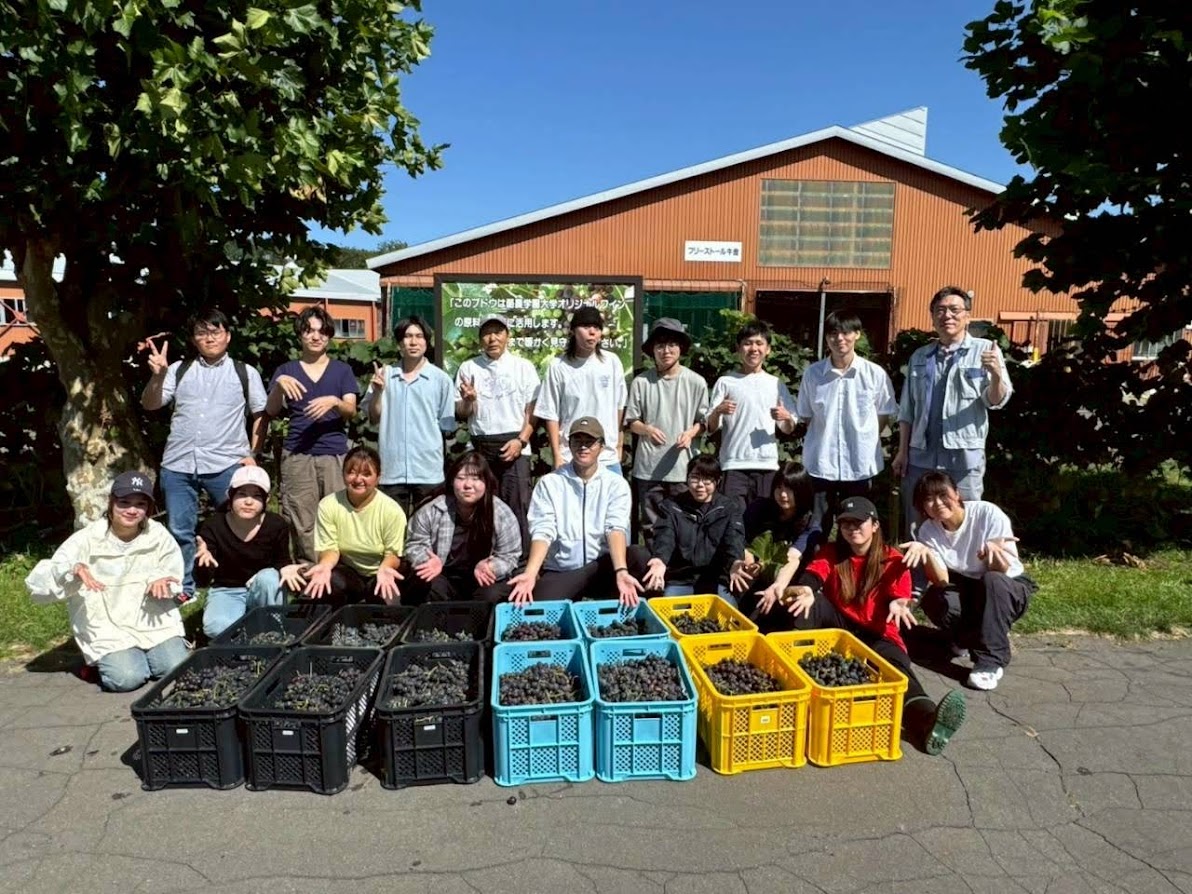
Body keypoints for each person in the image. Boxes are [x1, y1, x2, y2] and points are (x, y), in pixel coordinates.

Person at [763, 497, 967, 756]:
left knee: (897, 673)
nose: (852, 528)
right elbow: (814, 575)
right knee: (807, 604)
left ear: (875, 525)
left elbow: (900, 597)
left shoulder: (892, 558)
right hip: (840, 628)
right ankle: (788, 679)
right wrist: (805, 589)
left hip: (878, 633)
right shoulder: (832, 552)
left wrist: (898, 603)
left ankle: (928, 721)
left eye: (858, 522)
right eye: (845, 523)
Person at [141, 308, 268, 601]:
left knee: (239, 525)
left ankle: (240, 582)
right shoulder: (178, 369)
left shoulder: (244, 372)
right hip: (179, 463)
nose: (209, 338)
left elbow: (261, 414)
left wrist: (254, 453)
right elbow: (151, 404)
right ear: (193, 339)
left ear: (228, 336)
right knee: (179, 529)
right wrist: (158, 377)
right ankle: (184, 588)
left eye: (215, 331)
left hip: (227, 463)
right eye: (202, 332)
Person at [25, 471, 189, 693]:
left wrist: (162, 579)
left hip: (150, 619)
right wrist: (72, 569)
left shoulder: (158, 535)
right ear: (111, 503)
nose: (132, 510)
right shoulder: (86, 538)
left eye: (140, 504)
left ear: (148, 508)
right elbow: (40, 583)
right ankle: (101, 664)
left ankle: (135, 657)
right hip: (107, 625)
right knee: (127, 678)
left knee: (175, 667)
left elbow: (173, 572)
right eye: (124, 503)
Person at [893, 286, 1012, 534]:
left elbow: (996, 400)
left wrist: (996, 375)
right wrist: (902, 452)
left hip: (963, 455)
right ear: (932, 317)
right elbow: (907, 409)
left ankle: (964, 560)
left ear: (967, 316)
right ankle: (919, 560)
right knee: (917, 520)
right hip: (921, 454)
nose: (947, 315)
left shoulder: (985, 351)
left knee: (965, 518)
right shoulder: (920, 356)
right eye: (940, 310)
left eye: (954, 310)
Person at [902, 471, 1036, 691]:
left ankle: (991, 661)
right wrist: (926, 552)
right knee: (936, 599)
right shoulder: (928, 530)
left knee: (992, 581)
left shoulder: (987, 513)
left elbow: (1000, 572)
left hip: (1006, 586)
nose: (937, 503)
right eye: (929, 499)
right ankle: (965, 639)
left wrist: (992, 553)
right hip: (968, 585)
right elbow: (942, 580)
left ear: (957, 494)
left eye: (943, 495)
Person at [507, 417, 649, 605]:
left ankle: (634, 604)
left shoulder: (616, 484)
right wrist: (531, 573)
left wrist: (621, 571)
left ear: (601, 446)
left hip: (603, 567)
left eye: (590, 442)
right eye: (577, 441)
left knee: (640, 556)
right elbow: (543, 530)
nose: (583, 447)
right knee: (536, 605)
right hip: (564, 570)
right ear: (569, 444)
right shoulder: (550, 483)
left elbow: (615, 527)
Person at [265, 306, 360, 563]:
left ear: (329, 336)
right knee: (301, 517)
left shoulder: (342, 371)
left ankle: (337, 569)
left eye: (322, 332)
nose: (316, 337)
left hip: (334, 453)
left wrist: (335, 402)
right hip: (298, 454)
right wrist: (278, 387)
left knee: (338, 515)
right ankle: (308, 569)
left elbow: (351, 410)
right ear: (300, 335)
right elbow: (271, 410)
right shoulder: (286, 371)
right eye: (309, 331)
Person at [795, 310, 897, 529]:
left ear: (857, 334)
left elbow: (884, 414)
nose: (839, 338)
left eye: (846, 332)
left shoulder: (875, 374)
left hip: (860, 462)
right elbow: (807, 415)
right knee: (817, 525)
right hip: (822, 462)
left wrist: (864, 438)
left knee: (858, 526)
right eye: (833, 333)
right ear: (826, 338)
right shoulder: (812, 374)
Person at [454, 313, 540, 549]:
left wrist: (521, 441)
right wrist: (469, 400)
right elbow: (461, 412)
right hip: (481, 446)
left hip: (515, 445)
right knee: (482, 508)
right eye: (487, 333)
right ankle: (483, 560)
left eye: (498, 332)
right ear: (480, 338)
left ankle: (521, 562)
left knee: (517, 507)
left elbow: (533, 411)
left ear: (507, 336)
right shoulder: (468, 367)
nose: (492, 338)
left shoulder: (523, 367)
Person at [624, 318, 710, 547]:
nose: (666, 351)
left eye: (672, 344)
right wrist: (647, 429)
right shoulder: (642, 382)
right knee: (651, 526)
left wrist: (690, 433)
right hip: (649, 468)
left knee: (685, 524)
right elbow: (631, 421)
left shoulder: (696, 382)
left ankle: (681, 567)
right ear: (652, 350)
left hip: (683, 468)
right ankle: (654, 566)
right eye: (660, 345)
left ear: (681, 348)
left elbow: (704, 422)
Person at [195, 467, 306, 639]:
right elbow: (202, 581)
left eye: (256, 496)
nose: (248, 502)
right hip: (227, 589)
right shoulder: (213, 525)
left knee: (270, 578)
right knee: (216, 629)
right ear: (230, 496)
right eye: (242, 494)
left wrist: (286, 568)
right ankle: (247, 625)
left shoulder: (276, 524)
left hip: (260, 586)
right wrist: (202, 563)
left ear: (266, 500)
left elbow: (281, 560)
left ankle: (272, 631)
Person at [364, 315, 455, 519]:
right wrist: (378, 393)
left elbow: (446, 425)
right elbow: (374, 418)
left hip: (428, 469)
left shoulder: (441, 380)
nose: (413, 342)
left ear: (427, 342)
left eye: (419, 336)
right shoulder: (384, 375)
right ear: (399, 343)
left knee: (430, 526)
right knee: (393, 528)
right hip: (392, 468)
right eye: (407, 336)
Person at [403, 452, 524, 603]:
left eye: (476, 478)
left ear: (486, 482)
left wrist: (491, 566)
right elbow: (414, 544)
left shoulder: (501, 513)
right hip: (444, 575)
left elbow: (510, 555)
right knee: (427, 584)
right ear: (452, 481)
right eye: (461, 478)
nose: (468, 485)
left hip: (480, 578)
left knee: (492, 594)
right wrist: (427, 561)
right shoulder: (433, 509)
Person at [706, 320, 796, 512]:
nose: (753, 349)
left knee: (762, 521)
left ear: (768, 349)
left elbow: (788, 428)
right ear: (738, 348)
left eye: (759, 343)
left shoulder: (776, 384)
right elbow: (711, 427)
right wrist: (718, 411)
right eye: (747, 343)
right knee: (732, 520)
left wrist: (786, 417)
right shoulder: (726, 382)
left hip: (767, 464)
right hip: (733, 464)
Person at [304, 446, 407, 606]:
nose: (358, 480)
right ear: (343, 474)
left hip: (381, 570)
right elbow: (330, 549)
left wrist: (385, 569)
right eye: (351, 472)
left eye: (366, 474)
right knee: (327, 581)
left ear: (378, 477)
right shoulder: (328, 505)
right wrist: (324, 566)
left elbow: (393, 555)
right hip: (348, 571)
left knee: (388, 595)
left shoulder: (392, 510)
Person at [535, 306, 628, 473]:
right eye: (585, 327)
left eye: (597, 328)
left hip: (606, 457)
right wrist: (557, 455)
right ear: (573, 331)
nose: (592, 332)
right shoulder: (558, 366)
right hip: (569, 457)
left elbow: (620, 407)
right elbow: (550, 414)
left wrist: (618, 446)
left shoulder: (612, 362)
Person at [642, 455, 745, 601]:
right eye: (695, 478)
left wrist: (735, 562)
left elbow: (734, 539)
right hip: (680, 579)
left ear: (717, 481)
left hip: (715, 579)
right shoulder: (672, 506)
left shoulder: (729, 508)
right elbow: (665, 536)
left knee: (725, 611)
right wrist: (660, 560)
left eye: (707, 480)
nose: (700, 485)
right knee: (669, 609)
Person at [733, 462, 823, 625]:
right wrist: (746, 556)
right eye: (779, 488)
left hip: (787, 577)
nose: (783, 495)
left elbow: (792, 557)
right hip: (752, 571)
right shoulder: (759, 508)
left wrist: (778, 586)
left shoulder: (810, 524)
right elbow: (739, 537)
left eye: (790, 490)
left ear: (802, 491)